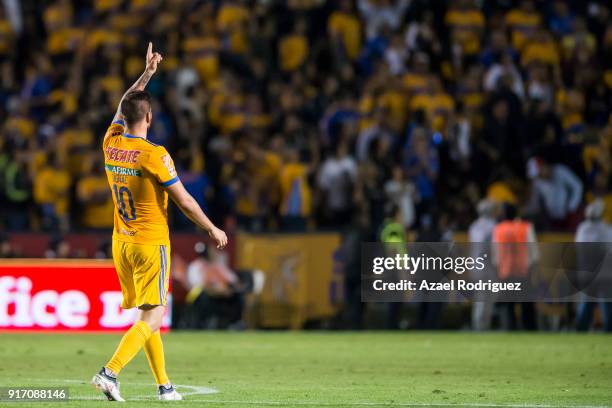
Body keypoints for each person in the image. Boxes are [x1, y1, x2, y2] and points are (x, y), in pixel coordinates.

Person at [91, 43, 228, 402]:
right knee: (153, 317)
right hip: (151, 243)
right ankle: (110, 372)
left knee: (149, 314)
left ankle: (165, 387)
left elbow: (126, 103)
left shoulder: (110, 142)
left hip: (122, 242)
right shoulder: (155, 155)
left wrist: (148, 74)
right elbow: (183, 199)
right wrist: (212, 228)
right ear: (149, 118)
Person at [574, 200, 612, 332]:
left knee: (589, 303)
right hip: (600, 272)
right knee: (603, 303)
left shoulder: (582, 229)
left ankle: (582, 329)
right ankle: (606, 329)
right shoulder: (605, 229)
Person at [468, 199, 497, 330]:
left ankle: (480, 324)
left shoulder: (474, 225)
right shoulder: (492, 226)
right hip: (487, 265)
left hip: (476, 264)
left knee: (481, 296)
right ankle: (481, 325)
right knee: (486, 297)